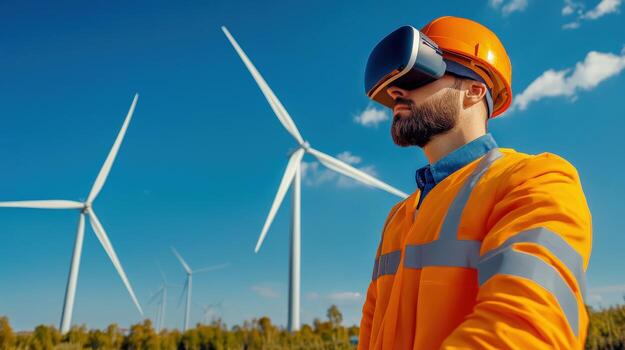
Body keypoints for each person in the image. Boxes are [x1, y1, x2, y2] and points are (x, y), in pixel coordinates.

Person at [358, 16, 592, 349]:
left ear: (474, 90)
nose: (396, 91)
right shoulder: (398, 217)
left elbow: (527, 329)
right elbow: (370, 333)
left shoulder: (536, 181)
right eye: (396, 82)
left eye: (419, 75)